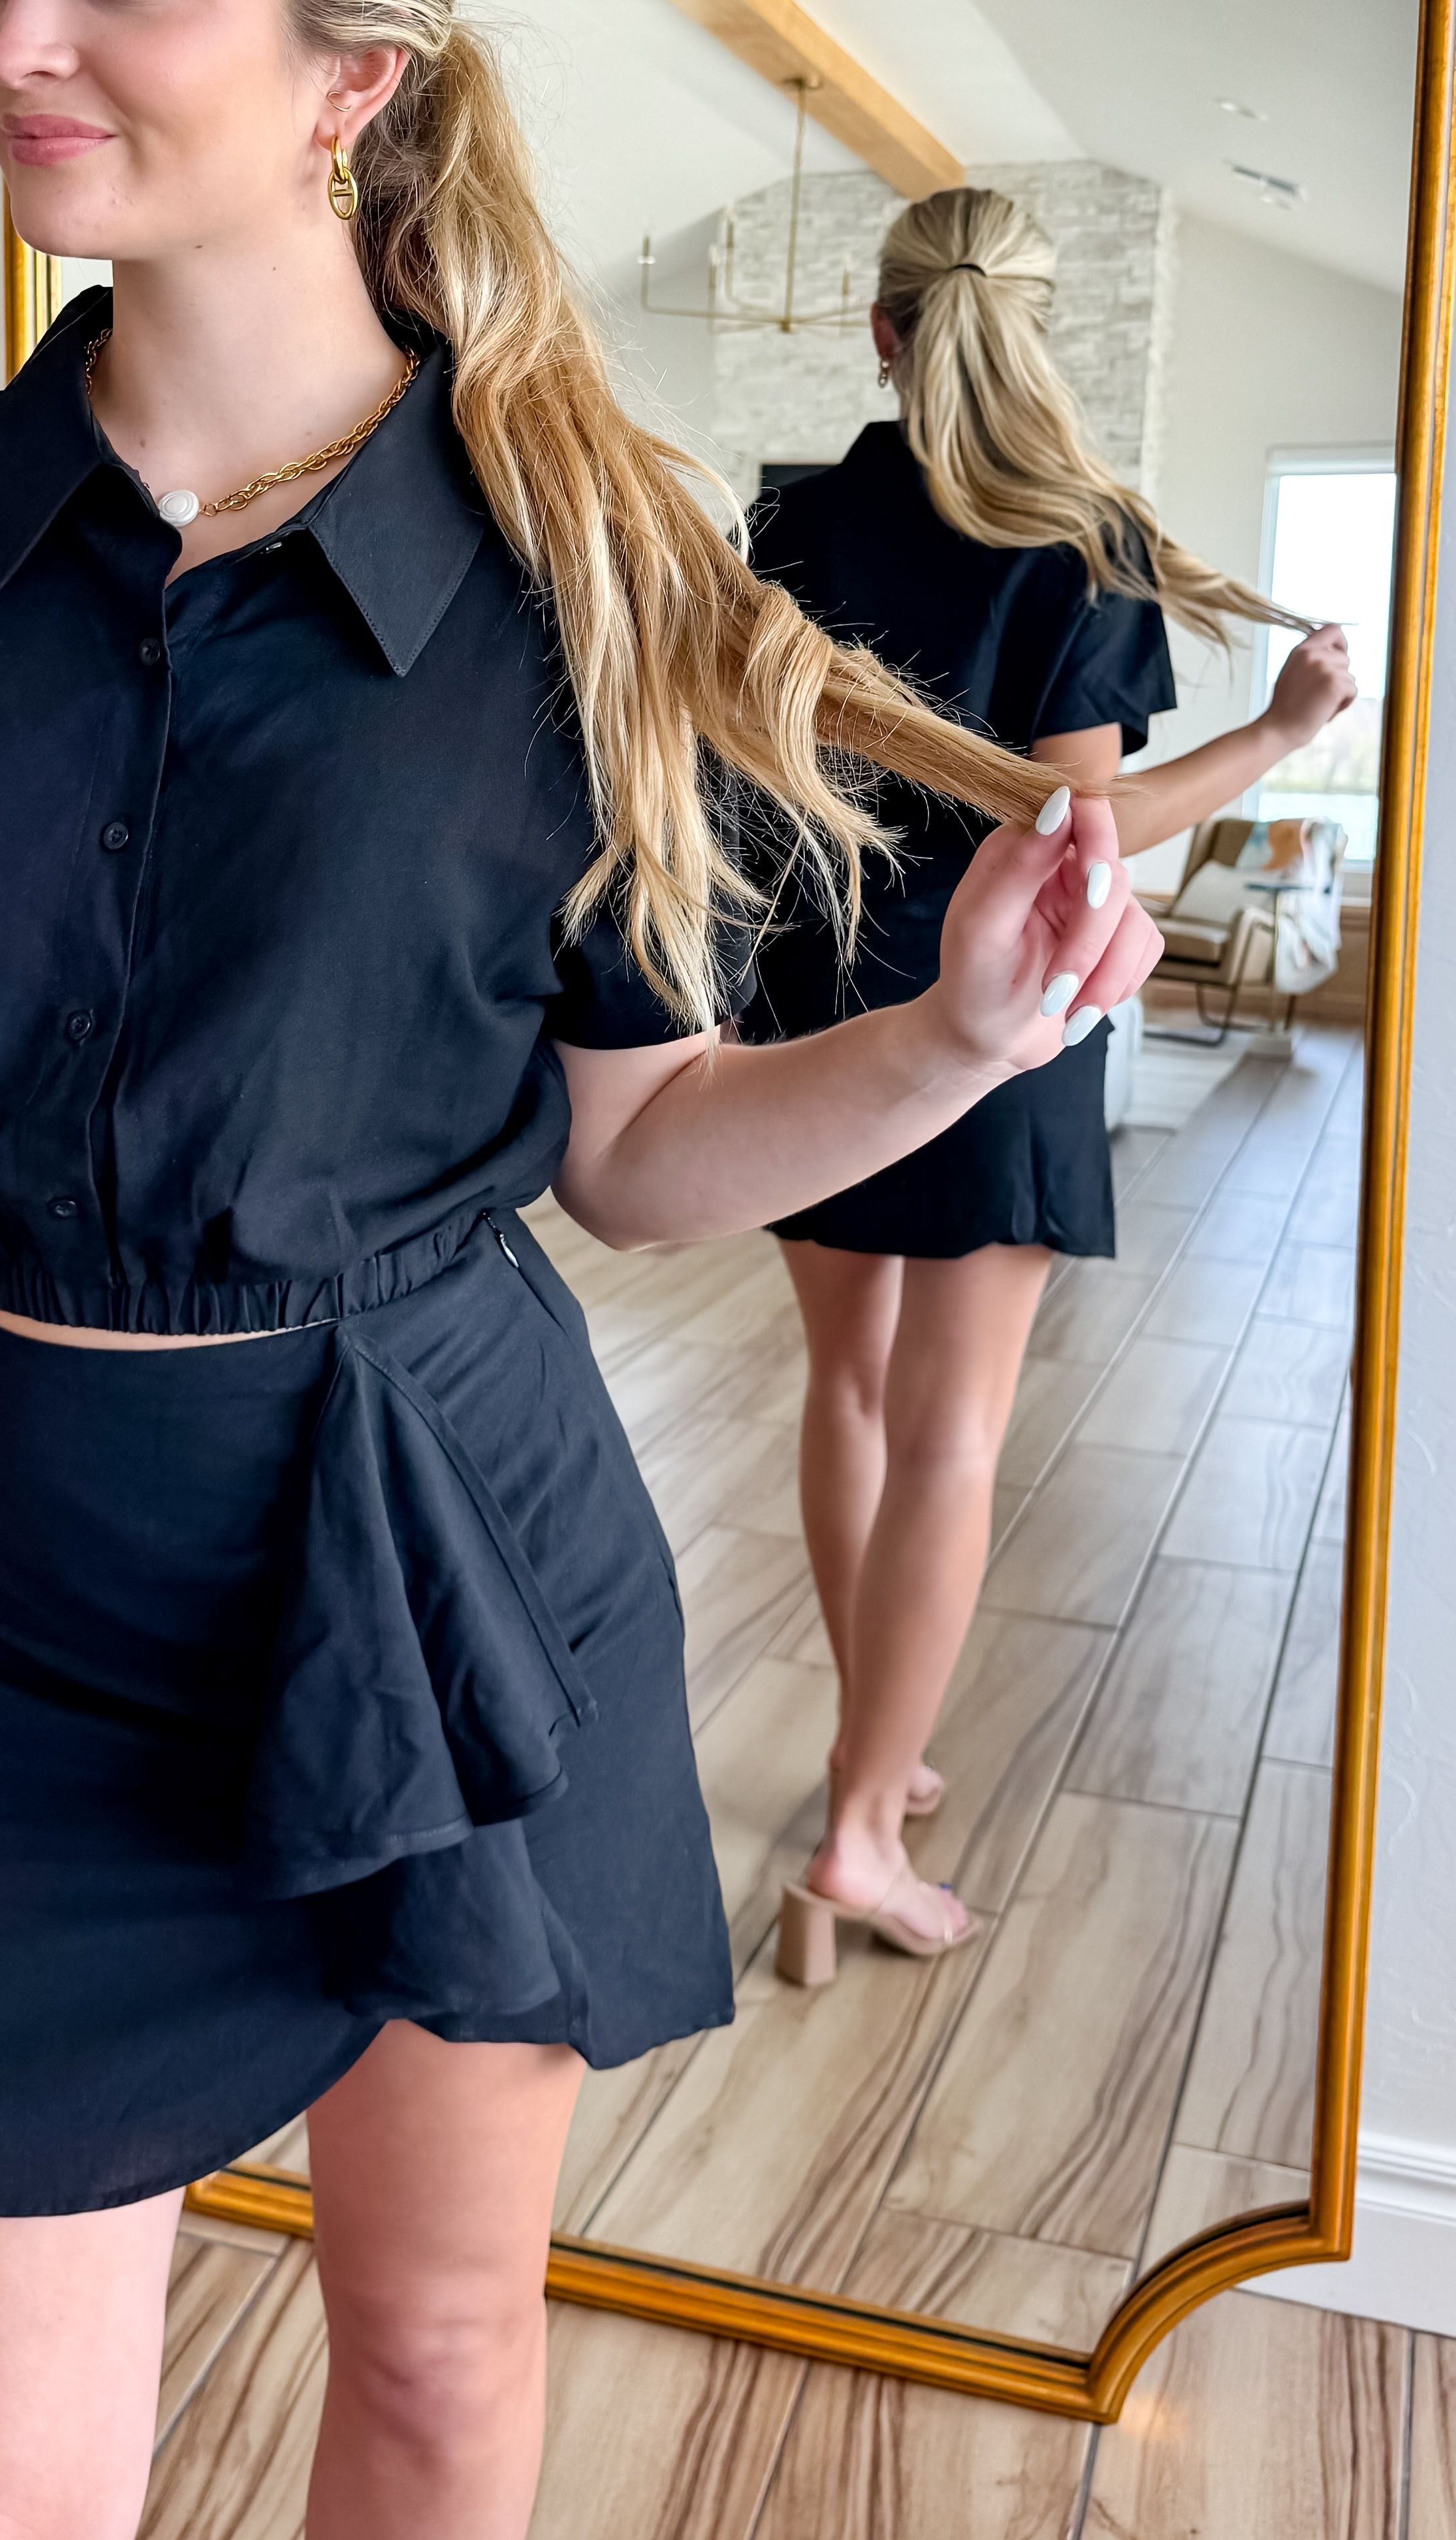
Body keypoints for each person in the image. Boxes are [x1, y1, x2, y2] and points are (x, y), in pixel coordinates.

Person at [0, 16, 1160, 2540]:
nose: (10, 40)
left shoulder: (578, 563)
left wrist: (958, 1043)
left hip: (451, 1572)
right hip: (24, 1623)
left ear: (352, 73)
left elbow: (634, 1150)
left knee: (443, 2351)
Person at [746, 186, 1356, 1981]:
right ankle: (862, 1831)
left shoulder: (790, 520)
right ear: (1035, 330)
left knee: (848, 1389)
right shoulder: (1077, 540)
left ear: (881, 330)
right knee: (953, 1432)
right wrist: (1279, 733)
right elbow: (1082, 826)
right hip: (988, 1014)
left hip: (808, 998)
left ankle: (876, 1745)